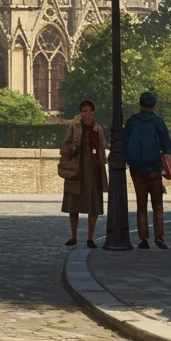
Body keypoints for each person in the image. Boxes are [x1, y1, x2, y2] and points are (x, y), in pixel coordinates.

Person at [123, 92, 171, 250]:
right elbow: (166, 144)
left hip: (137, 168)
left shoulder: (132, 121)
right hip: (154, 167)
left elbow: (125, 141)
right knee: (158, 205)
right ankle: (159, 236)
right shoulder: (157, 121)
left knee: (141, 205)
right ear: (154, 105)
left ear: (140, 104)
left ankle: (143, 238)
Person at [60, 101, 108, 248]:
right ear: (80, 113)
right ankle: (73, 236)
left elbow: (102, 149)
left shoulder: (98, 129)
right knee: (73, 204)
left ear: (93, 112)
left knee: (92, 205)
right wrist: (73, 147)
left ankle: (90, 238)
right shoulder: (74, 127)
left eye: (89, 111)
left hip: (93, 171)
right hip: (77, 170)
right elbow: (64, 148)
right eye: (84, 111)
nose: (87, 114)